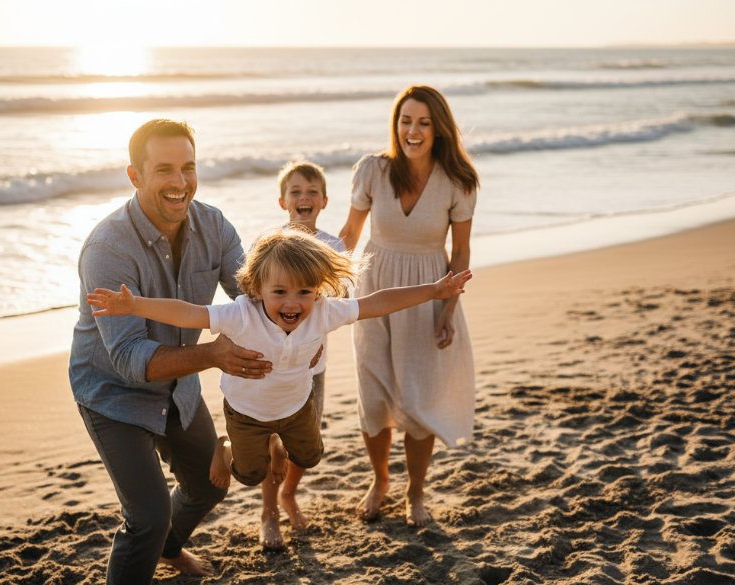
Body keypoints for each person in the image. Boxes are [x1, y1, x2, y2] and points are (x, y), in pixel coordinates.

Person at [87, 229, 473, 537]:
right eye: (280, 292)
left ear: (318, 290)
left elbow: (377, 303)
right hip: (246, 413)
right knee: (249, 475)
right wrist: (135, 305)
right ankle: (225, 446)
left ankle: (278, 445)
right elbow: (189, 314)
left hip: (296, 407)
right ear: (257, 289)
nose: (293, 303)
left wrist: (433, 291)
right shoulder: (240, 314)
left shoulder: (323, 312)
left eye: (304, 292)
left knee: (310, 457)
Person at [69, 118, 273, 585]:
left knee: (207, 485)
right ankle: (155, 540)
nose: (180, 182)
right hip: (111, 394)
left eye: (188, 167)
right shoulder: (107, 249)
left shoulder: (214, 226)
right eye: (164, 169)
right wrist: (215, 355)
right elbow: (129, 358)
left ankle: (168, 549)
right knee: (148, 517)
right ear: (134, 176)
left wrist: (300, 318)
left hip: (179, 386)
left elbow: (253, 298)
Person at [338, 85, 479, 527]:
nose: (412, 131)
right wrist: (327, 282)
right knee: (373, 396)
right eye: (405, 121)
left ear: (439, 129)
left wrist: (448, 310)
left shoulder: (458, 181)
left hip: (428, 293)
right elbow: (349, 235)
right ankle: (380, 480)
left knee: (418, 398)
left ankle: (415, 492)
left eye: (422, 123)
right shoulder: (372, 170)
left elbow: (461, 252)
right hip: (373, 291)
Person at [254, 160, 346, 548]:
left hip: (312, 365)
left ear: (324, 201)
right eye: (295, 192)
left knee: (304, 442)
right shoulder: (268, 244)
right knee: (270, 440)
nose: (303, 198)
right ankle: (269, 512)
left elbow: (341, 300)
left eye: (311, 192)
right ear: (282, 201)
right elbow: (252, 299)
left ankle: (289, 493)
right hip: (271, 365)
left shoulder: (333, 247)